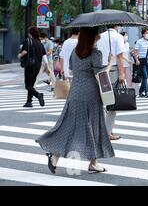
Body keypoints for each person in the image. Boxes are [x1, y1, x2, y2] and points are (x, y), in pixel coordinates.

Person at [36, 27, 115, 174]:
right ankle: (93, 163)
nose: (99, 35)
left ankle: (55, 155)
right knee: (94, 125)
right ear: (92, 37)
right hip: (90, 93)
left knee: (69, 125)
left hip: (75, 91)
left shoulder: (75, 52)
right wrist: (110, 62)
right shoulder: (95, 53)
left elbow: (71, 69)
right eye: (97, 33)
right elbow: (101, 76)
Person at [97, 25, 127, 141]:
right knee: (112, 102)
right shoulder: (118, 37)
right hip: (112, 70)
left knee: (100, 100)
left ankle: (104, 128)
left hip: (99, 70)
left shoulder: (99, 37)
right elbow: (119, 57)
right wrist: (122, 74)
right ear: (116, 26)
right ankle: (108, 132)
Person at [18, 26, 49, 108]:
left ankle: (38, 95)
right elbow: (45, 57)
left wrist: (19, 55)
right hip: (37, 66)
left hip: (29, 65)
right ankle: (29, 102)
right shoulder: (40, 43)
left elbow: (24, 52)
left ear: (30, 33)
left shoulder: (27, 41)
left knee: (27, 85)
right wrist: (47, 66)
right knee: (31, 84)